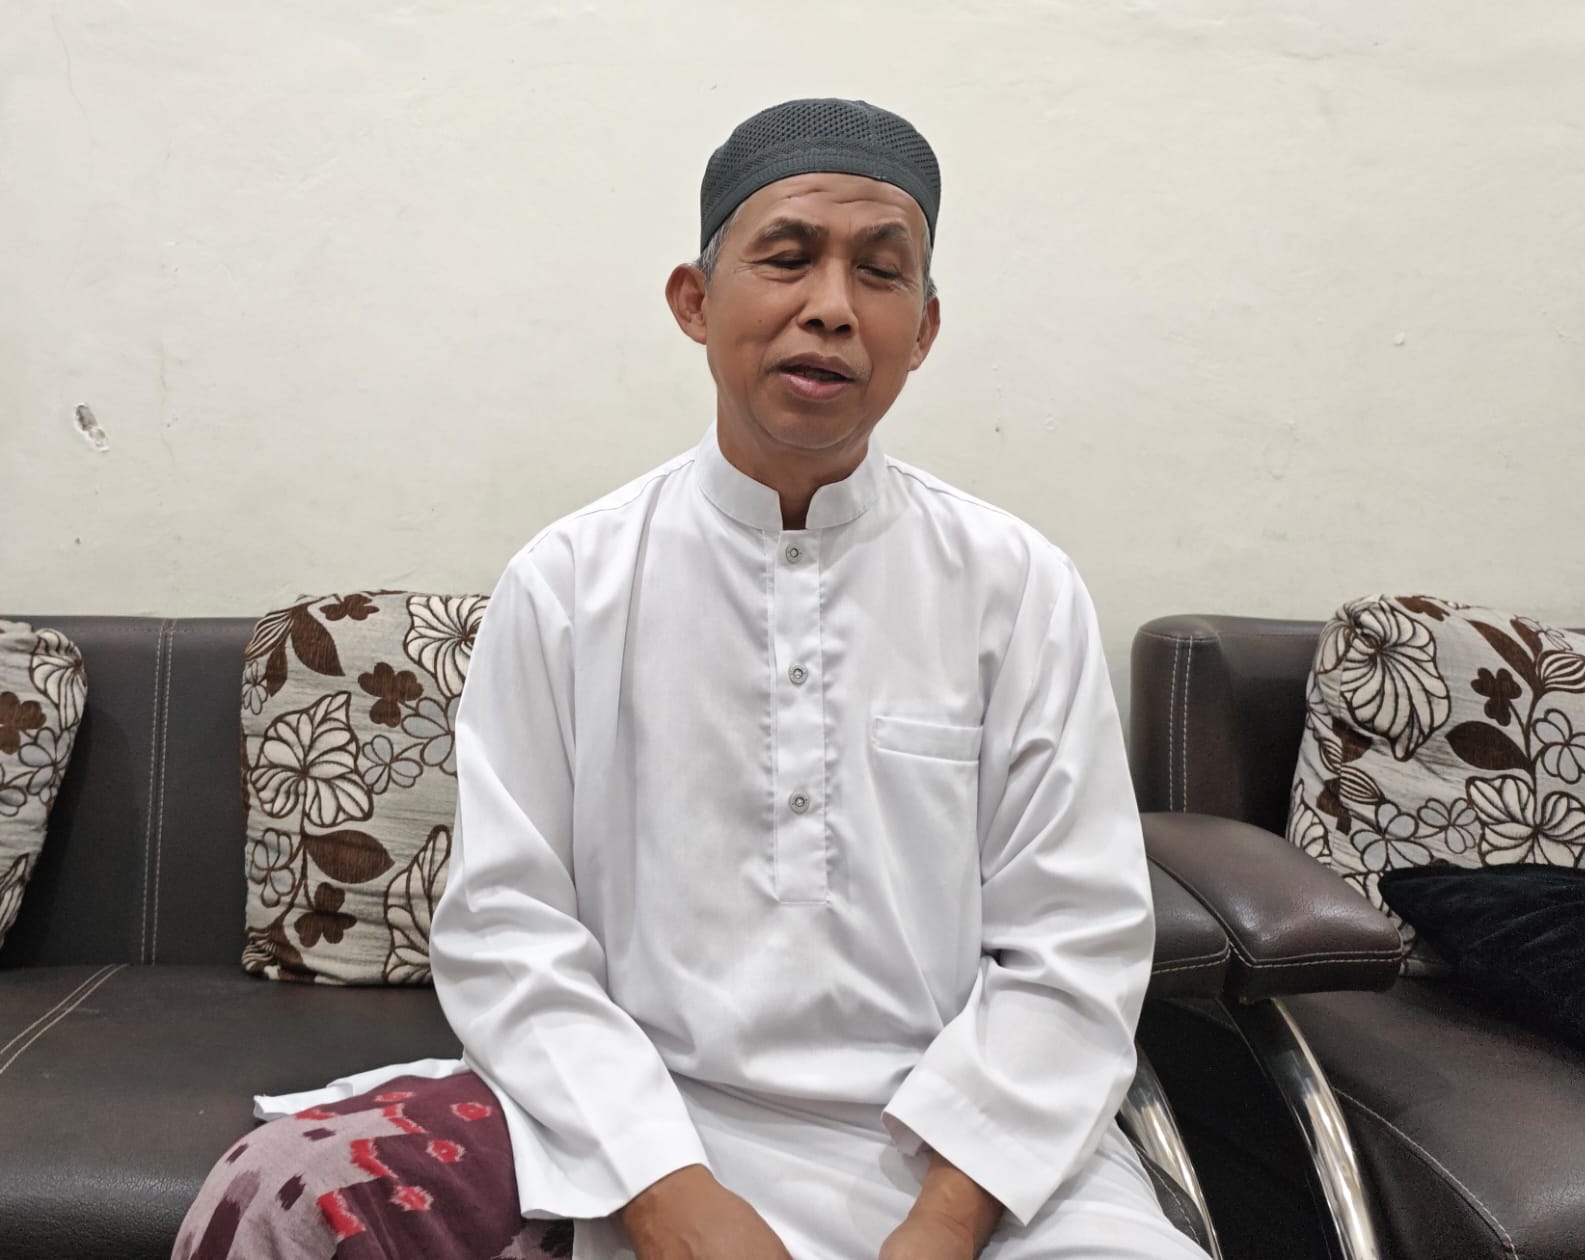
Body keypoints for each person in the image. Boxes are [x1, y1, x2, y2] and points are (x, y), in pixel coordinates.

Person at [174, 98, 1207, 1260]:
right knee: (296, 1192)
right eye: (787, 257)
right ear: (694, 301)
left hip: (962, 1148)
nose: (831, 305)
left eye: (879, 272)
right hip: (636, 1125)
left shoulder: (1016, 586)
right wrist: (666, 1193)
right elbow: (507, 928)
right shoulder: (570, 581)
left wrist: (943, 1224)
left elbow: (1074, 945)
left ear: (921, 330)